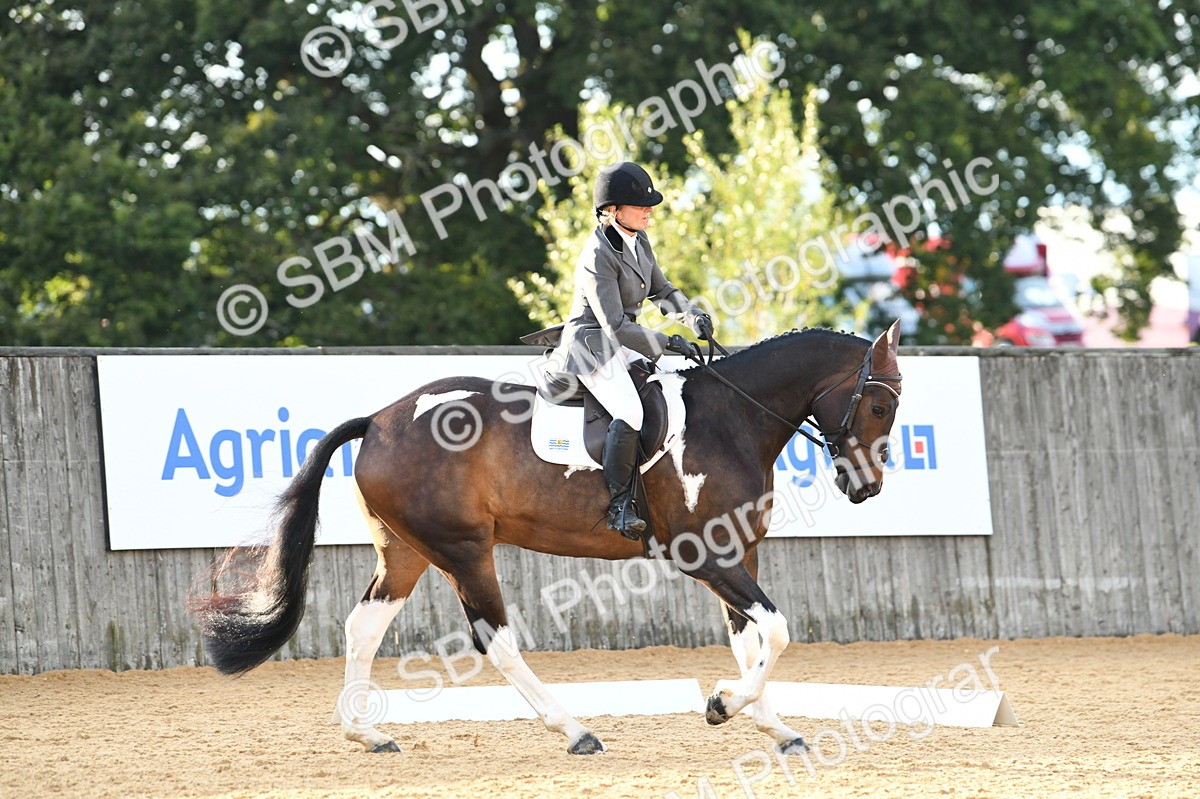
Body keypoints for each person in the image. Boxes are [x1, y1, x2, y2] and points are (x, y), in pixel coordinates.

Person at [544, 161, 713, 538]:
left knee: (673, 393)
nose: (648, 210)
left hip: (622, 341)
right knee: (630, 411)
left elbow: (662, 291)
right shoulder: (596, 256)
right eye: (640, 205)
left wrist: (693, 317)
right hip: (592, 346)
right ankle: (620, 506)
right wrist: (669, 342)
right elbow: (614, 325)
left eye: (649, 204)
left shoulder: (639, 240)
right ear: (611, 210)